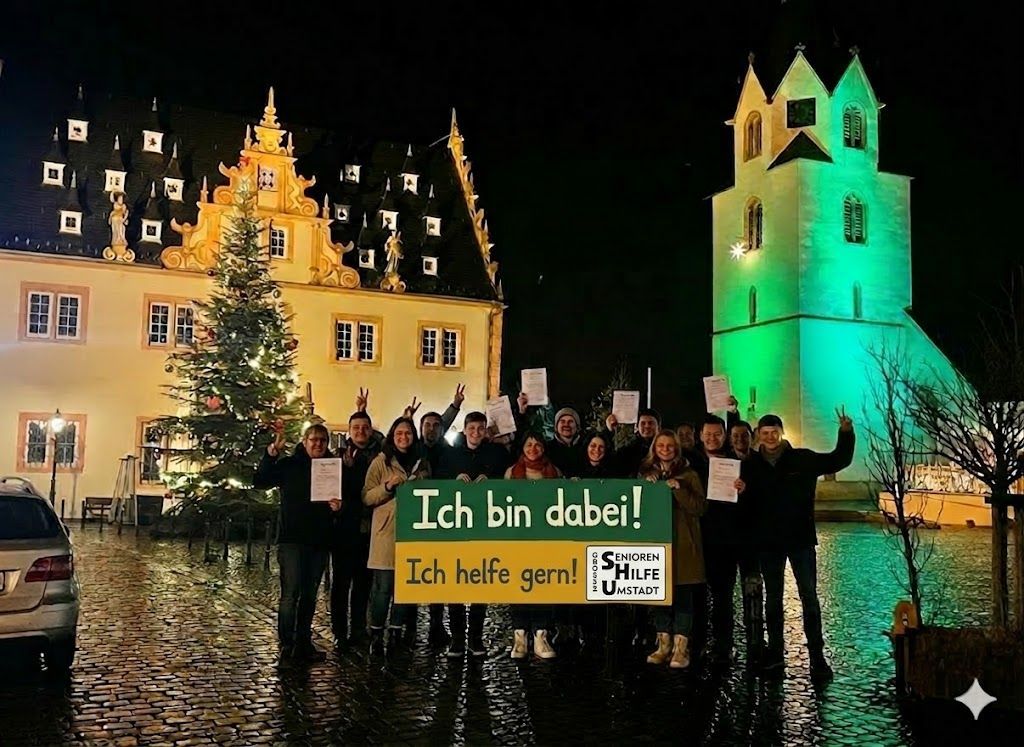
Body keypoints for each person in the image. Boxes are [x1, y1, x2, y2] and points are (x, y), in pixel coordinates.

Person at [742, 409, 855, 681]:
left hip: (800, 540)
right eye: (765, 433)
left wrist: (846, 433)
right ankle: (776, 654)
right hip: (768, 542)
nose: (769, 437)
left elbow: (837, 460)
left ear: (781, 433)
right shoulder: (750, 465)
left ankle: (817, 656)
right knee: (773, 600)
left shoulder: (802, 458)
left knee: (809, 597)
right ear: (758, 436)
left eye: (774, 432)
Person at [254, 423, 337, 664]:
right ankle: (287, 644)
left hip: (319, 541)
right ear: (304, 441)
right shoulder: (289, 465)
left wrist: (338, 507)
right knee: (291, 594)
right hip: (292, 540)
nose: (318, 444)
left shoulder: (332, 468)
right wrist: (270, 455)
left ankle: (303, 643)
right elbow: (260, 480)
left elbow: (339, 502)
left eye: (322, 440)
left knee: (310, 595)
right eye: (314, 439)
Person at [436, 411, 512, 657]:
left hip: (484, 527)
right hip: (455, 528)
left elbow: (507, 479)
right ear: (465, 429)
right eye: (472, 428)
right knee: (455, 584)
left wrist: (491, 481)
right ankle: (458, 638)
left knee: (481, 583)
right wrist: (453, 480)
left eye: (481, 429)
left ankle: (476, 638)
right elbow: (437, 481)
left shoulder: (496, 453)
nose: (476, 433)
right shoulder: (451, 454)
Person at [693, 414, 762, 666]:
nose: (712, 438)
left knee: (723, 598)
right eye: (708, 434)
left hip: (729, 540)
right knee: (699, 597)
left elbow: (753, 505)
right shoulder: (693, 462)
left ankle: (724, 645)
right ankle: (697, 644)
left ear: (724, 436)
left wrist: (745, 491)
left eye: (717, 434)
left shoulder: (737, 463)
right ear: (700, 435)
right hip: (700, 539)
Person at [638, 430, 706, 669]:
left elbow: (699, 507)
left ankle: (680, 647)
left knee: (683, 598)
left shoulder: (689, 475)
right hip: (656, 545)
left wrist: (678, 489)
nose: (665, 450)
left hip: (683, 545)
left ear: (677, 449)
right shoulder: (646, 475)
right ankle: (663, 643)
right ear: (654, 449)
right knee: (659, 597)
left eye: (670, 446)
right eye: (661, 446)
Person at [362, 417, 431, 655]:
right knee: (382, 589)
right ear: (392, 435)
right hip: (386, 532)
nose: (404, 437)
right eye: (399, 433)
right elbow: (367, 497)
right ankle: (376, 633)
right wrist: (388, 487)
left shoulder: (422, 464)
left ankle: (396, 631)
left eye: (408, 433)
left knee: (405, 589)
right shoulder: (381, 462)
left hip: (413, 532)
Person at [405, 384, 466, 647]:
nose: (431, 428)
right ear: (420, 429)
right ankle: (406, 628)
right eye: (426, 425)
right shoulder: (414, 450)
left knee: (439, 578)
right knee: (410, 578)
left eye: (435, 425)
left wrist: (455, 407)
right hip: (414, 522)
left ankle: (436, 625)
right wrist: (406, 419)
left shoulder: (449, 451)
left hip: (444, 522)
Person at [505, 432, 562, 660]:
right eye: (529, 444)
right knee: (519, 585)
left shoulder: (554, 472)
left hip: (545, 539)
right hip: (519, 539)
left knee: (543, 584)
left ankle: (541, 634)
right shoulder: (512, 473)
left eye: (537, 445)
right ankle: (520, 635)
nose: (533, 448)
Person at [329, 408, 380, 648]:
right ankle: (340, 632)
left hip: (368, 530)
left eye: (365, 427)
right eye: (356, 427)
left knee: (362, 585)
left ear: (371, 430)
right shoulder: (338, 455)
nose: (361, 431)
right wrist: (347, 468)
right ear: (349, 431)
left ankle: (359, 629)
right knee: (340, 585)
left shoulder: (378, 454)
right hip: (343, 530)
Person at [605, 407, 660, 477]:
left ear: (659, 427)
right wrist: (609, 431)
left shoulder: (665, 449)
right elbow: (611, 464)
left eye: (650, 423)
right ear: (637, 427)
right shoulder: (629, 451)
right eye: (643, 423)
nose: (647, 426)